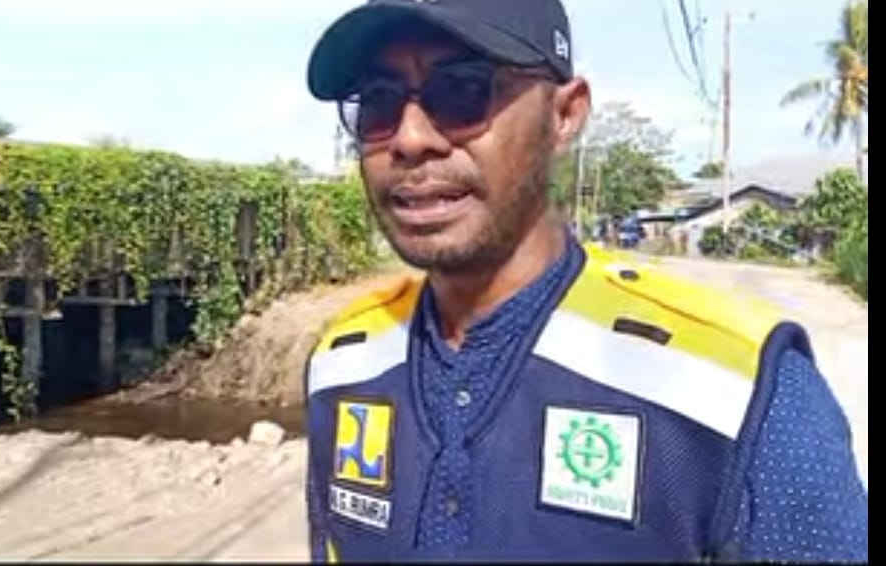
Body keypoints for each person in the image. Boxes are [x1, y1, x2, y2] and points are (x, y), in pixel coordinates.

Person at [300, 0, 869, 562]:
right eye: (378, 101)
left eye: (462, 89)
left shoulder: (738, 389)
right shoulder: (344, 363)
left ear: (565, 115)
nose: (409, 138)